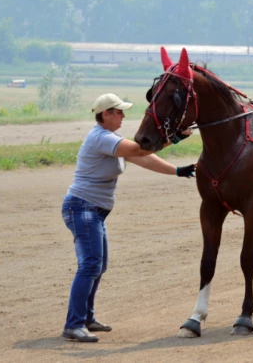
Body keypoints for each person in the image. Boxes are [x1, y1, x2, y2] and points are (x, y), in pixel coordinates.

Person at [61, 93, 196, 342]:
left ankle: (86, 318)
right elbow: (140, 148)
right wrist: (174, 138)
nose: (123, 116)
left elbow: (143, 157)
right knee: (90, 265)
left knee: (97, 266)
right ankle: (74, 324)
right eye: (119, 112)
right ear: (106, 114)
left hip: (93, 211)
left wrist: (177, 171)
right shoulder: (100, 138)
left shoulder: (111, 139)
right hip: (82, 208)